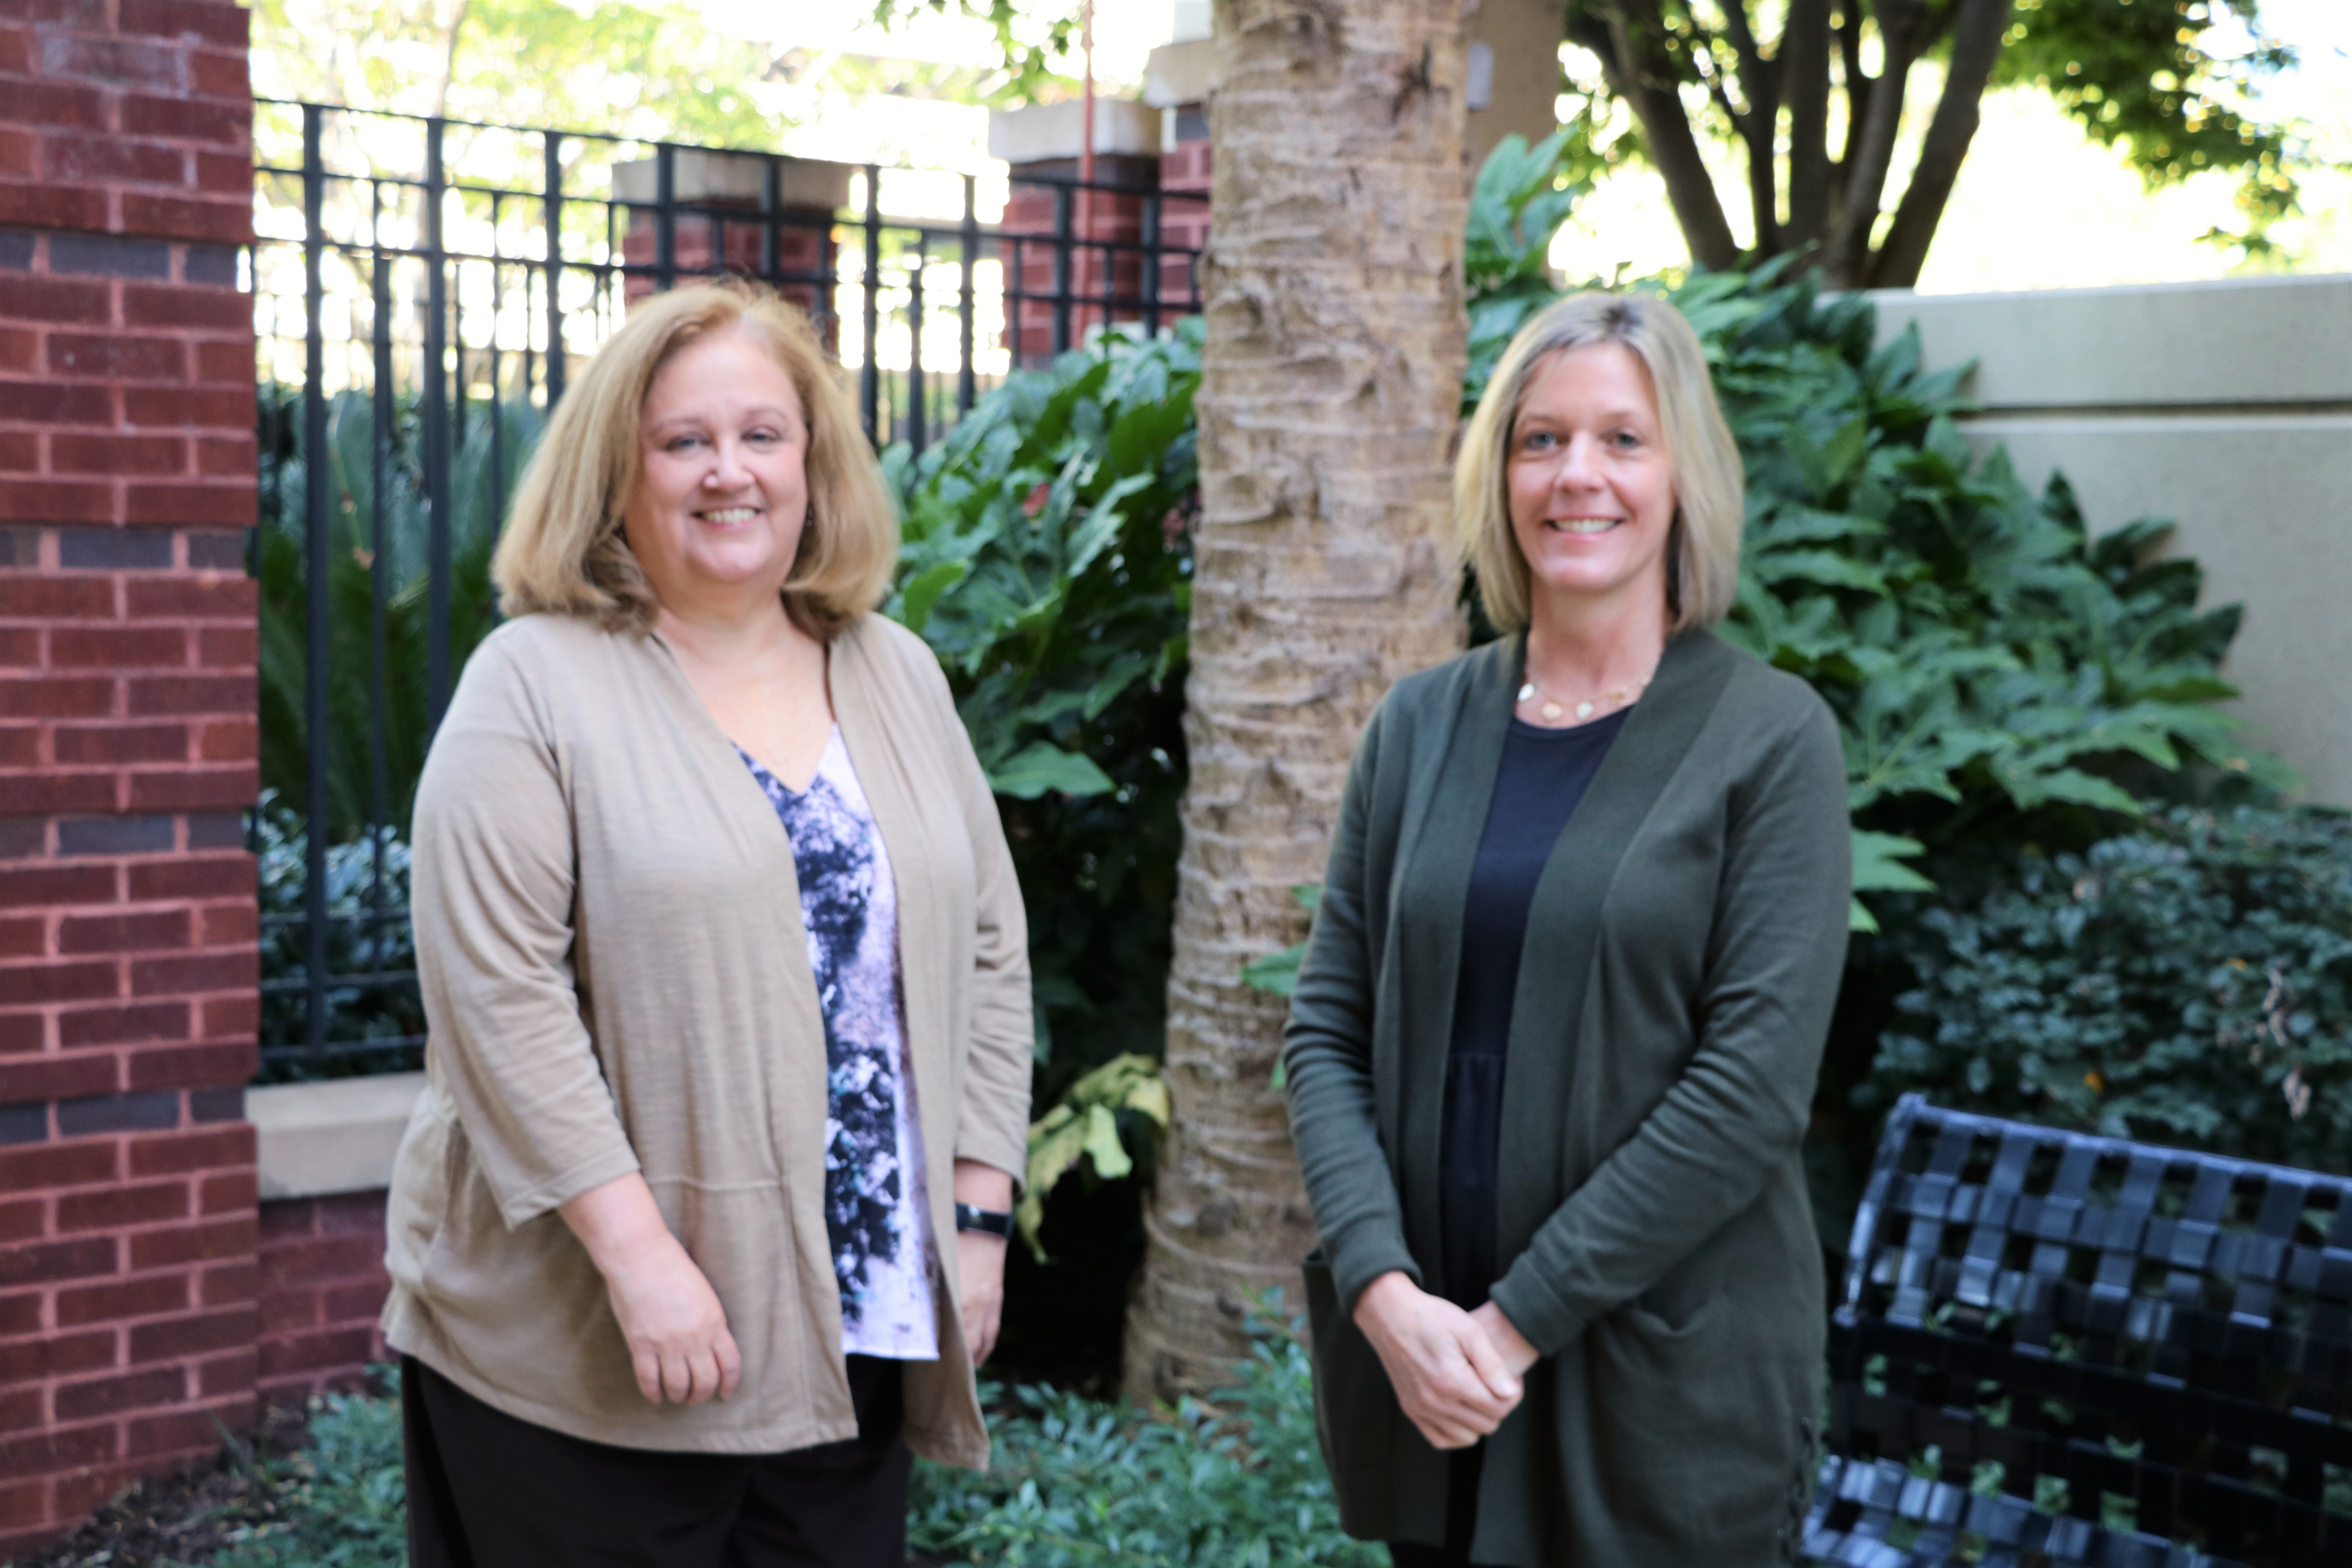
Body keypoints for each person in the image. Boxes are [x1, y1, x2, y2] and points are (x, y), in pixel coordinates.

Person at [379, 281, 1034, 1568]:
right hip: (591, 1357)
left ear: (812, 464)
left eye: (761, 435)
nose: (729, 472)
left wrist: (975, 1223)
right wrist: (640, 1263)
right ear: (615, 476)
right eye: (683, 441)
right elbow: (499, 999)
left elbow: (989, 950)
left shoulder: (897, 672)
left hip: (855, 1330)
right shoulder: (534, 684)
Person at [1283, 291, 1852, 1568]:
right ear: (1500, 475)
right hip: (1427, 1381)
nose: (1576, 475)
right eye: (1540, 440)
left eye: (1622, 440)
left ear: (1683, 476)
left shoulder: (1772, 742)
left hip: (1651, 1390)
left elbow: (1750, 1093)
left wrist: (1511, 1328)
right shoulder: (1417, 726)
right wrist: (1383, 1293)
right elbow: (1326, 1032)